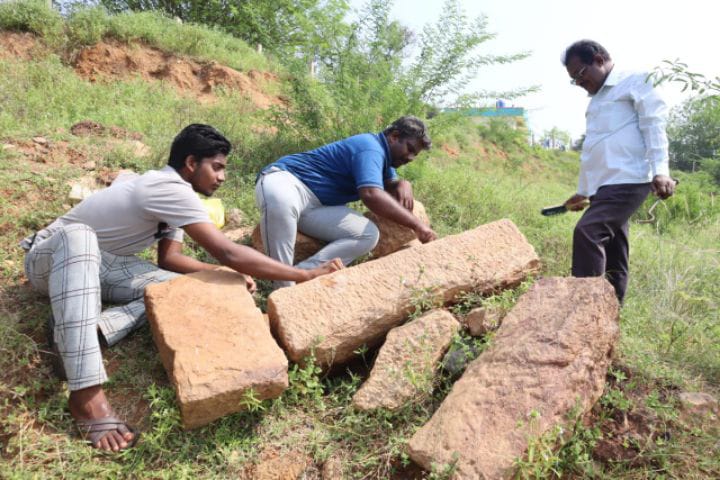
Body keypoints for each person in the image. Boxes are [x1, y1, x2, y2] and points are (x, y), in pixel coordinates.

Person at [20, 124, 342, 452]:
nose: (222, 177)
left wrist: (219, 273)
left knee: (182, 288)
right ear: (191, 163)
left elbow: (170, 260)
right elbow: (228, 249)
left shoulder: (176, 197)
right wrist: (303, 274)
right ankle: (86, 395)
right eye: (216, 167)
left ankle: (93, 330)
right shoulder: (167, 187)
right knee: (80, 235)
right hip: (55, 258)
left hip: (105, 264)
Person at [255, 116, 438, 289]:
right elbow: (371, 195)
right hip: (289, 181)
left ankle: (304, 273)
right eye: (410, 148)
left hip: (316, 207)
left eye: (415, 154)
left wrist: (402, 183)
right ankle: (284, 286)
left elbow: (389, 185)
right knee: (281, 203)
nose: (411, 158)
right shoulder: (371, 147)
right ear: (394, 136)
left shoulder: (385, 162)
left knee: (366, 234)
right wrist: (417, 225)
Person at [561, 40, 676, 302]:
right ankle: (609, 322)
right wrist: (583, 191)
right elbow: (593, 151)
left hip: (630, 179)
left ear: (599, 59)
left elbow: (653, 124)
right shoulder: (596, 102)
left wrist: (661, 170)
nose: (579, 83)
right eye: (573, 80)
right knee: (615, 255)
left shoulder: (635, 81)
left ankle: (583, 313)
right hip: (605, 187)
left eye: (580, 74)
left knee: (587, 233)